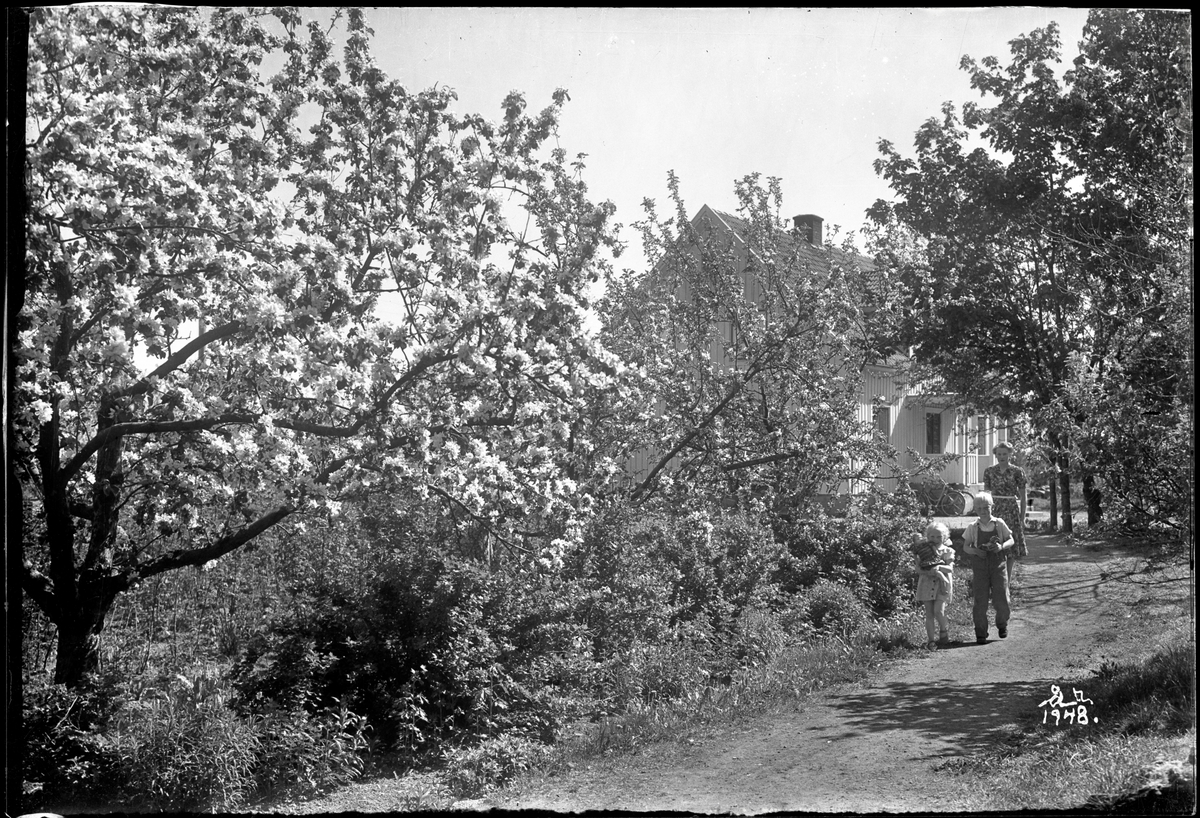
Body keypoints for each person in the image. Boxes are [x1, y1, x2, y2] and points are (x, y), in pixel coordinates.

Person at [963, 491, 1014, 644]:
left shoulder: (999, 523)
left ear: (992, 506)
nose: (983, 511)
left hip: (998, 566)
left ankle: (1002, 623)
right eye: (979, 508)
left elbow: (1011, 540)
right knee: (980, 600)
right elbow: (966, 547)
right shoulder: (973, 527)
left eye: (986, 507)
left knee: (1002, 597)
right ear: (975, 509)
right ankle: (980, 632)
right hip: (980, 568)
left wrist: (1001, 546)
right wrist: (975, 551)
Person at [983, 441, 1028, 579]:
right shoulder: (989, 471)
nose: (1002, 456)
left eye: (1004, 454)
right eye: (999, 454)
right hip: (994, 509)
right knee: (994, 541)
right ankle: (996, 580)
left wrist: (1022, 517)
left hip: (1011, 509)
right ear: (995, 455)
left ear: (1010, 455)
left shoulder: (1017, 471)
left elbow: (1023, 496)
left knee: (1010, 544)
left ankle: (1007, 581)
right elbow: (985, 495)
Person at [913, 522, 956, 649]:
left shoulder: (947, 551)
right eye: (932, 536)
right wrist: (928, 570)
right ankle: (931, 640)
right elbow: (918, 569)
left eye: (939, 537)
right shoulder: (923, 550)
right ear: (927, 537)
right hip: (926, 584)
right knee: (929, 613)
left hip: (942, 585)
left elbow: (950, 569)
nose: (935, 539)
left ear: (944, 537)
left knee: (938, 610)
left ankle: (943, 629)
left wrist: (938, 568)